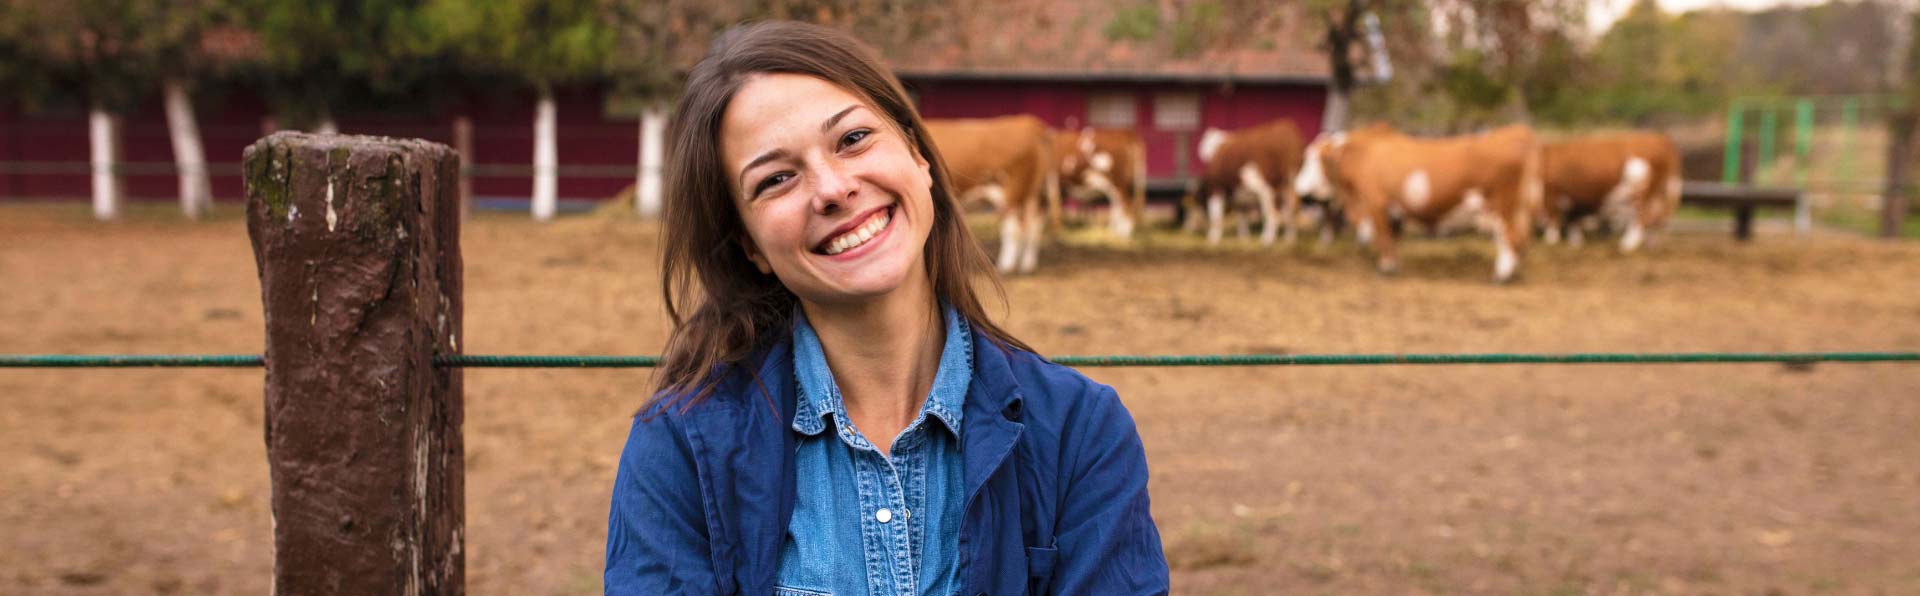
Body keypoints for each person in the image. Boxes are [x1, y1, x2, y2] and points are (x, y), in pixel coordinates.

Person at [604, 20, 1168, 596]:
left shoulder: (1079, 434)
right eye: (776, 178)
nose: (832, 188)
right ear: (750, 245)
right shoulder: (679, 451)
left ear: (920, 156)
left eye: (852, 139)